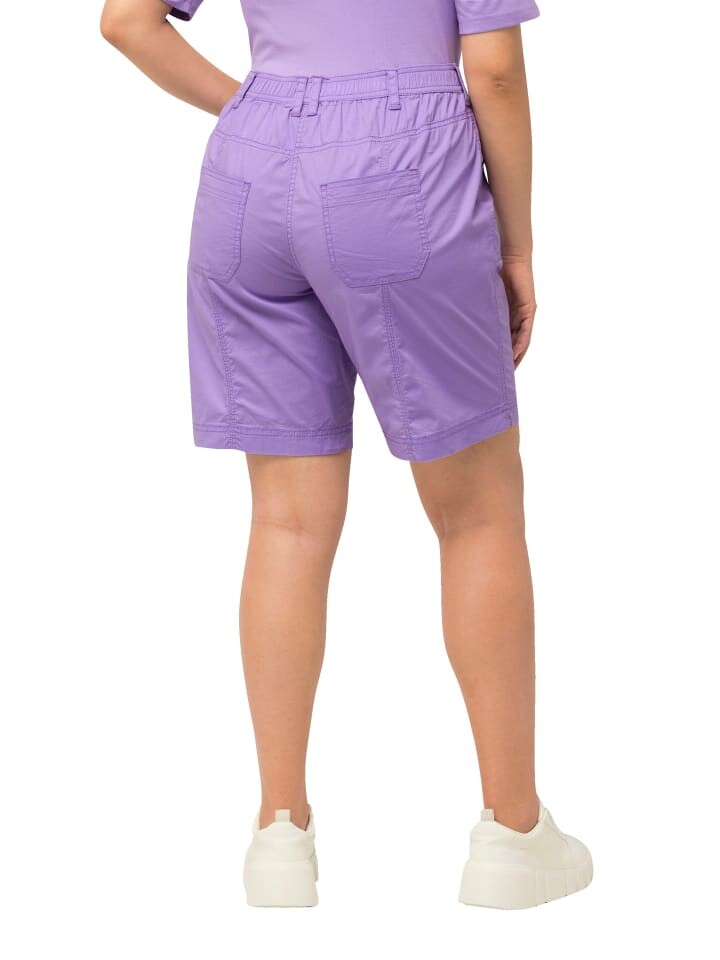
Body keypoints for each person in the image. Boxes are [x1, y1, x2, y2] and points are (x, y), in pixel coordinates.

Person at [100, 0, 592, 909]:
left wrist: (256, 109)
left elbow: (127, 20)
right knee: (478, 512)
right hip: (401, 168)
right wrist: (519, 243)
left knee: (286, 523)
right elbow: (494, 71)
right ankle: (514, 835)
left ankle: (279, 835)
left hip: (248, 176)